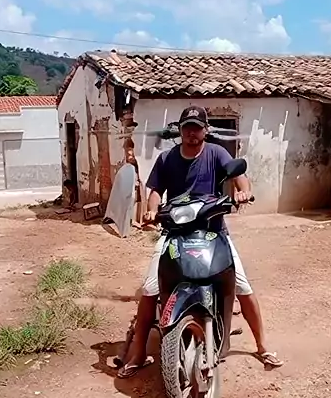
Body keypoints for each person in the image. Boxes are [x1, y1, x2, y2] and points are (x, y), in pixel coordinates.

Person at [117, 106, 283, 378]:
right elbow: (155, 190)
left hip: (213, 231)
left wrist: (243, 193)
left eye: (197, 127)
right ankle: (138, 352)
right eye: (187, 128)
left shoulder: (217, 153)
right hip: (174, 233)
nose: (192, 133)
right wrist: (151, 210)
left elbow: (240, 179)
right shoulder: (167, 158)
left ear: (205, 130)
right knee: (150, 288)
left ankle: (262, 345)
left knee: (242, 285)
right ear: (180, 130)